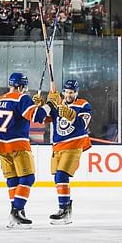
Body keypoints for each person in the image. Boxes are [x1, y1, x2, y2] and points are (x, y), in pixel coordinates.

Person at [0, 73, 57, 228]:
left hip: (1, 145)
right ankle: (17, 211)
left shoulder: (0, 100)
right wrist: (50, 104)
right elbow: (38, 117)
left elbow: (22, 115)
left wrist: (34, 106)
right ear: (22, 86)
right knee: (28, 178)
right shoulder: (23, 98)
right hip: (18, 144)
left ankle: (14, 212)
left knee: (13, 179)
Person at [35, 80, 92, 225]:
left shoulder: (83, 105)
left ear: (76, 92)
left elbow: (82, 126)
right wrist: (40, 106)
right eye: (66, 92)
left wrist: (71, 115)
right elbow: (41, 119)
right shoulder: (58, 104)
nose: (68, 95)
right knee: (58, 178)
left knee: (61, 175)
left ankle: (64, 210)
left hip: (74, 144)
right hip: (58, 146)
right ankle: (66, 208)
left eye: (71, 92)